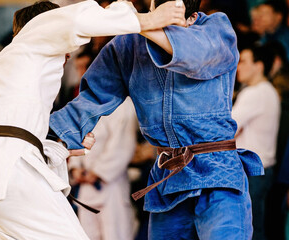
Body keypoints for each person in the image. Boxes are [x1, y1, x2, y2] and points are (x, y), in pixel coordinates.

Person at [0, 0, 188, 239]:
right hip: (7, 178)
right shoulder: (35, 36)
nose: (69, 52)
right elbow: (76, 19)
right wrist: (146, 19)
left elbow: (5, 135)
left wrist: (61, 148)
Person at [49, 0, 264, 239]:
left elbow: (193, 55)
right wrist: (45, 138)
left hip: (218, 174)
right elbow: (92, 97)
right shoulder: (127, 44)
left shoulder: (216, 28)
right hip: (168, 181)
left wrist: (135, 21)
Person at [69, 97, 138, 240]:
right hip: (85, 184)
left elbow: (122, 145)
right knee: (86, 234)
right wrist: (75, 168)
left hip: (111, 184)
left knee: (114, 234)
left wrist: (98, 172)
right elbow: (76, 138)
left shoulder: (123, 104)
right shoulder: (84, 103)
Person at [232, 44, 280, 240]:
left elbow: (227, 129)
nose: (238, 67)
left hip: (252, 172)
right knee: (254, 226)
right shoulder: (268, 91)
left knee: (248, 229)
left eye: (243, 61)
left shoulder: (255, 93)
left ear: (259, 66)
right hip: (261, 171)